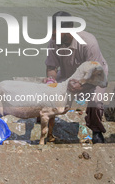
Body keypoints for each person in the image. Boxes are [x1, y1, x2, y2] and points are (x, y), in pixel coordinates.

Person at [45, 11, 108, 143]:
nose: (51, 36)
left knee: (95, 102)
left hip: (94, 76)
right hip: (69, 74)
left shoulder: (89, 43)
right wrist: (51, 81)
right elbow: (51, 67)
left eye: (55, 33)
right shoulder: (54, 41)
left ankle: (96, 130)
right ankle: (44, 118)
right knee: (46, 90)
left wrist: (81, 86)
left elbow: (95, 74)